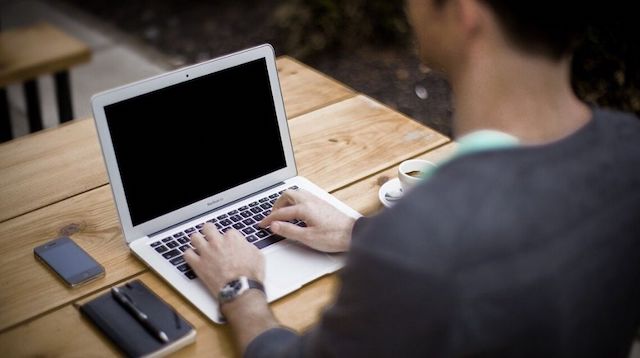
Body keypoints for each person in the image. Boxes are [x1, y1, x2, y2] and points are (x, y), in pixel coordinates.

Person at [184, 0, 640, 356]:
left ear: (464, 13)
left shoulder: (421, 243)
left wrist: (240, 289)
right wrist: (357, 231)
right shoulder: (629, 149)